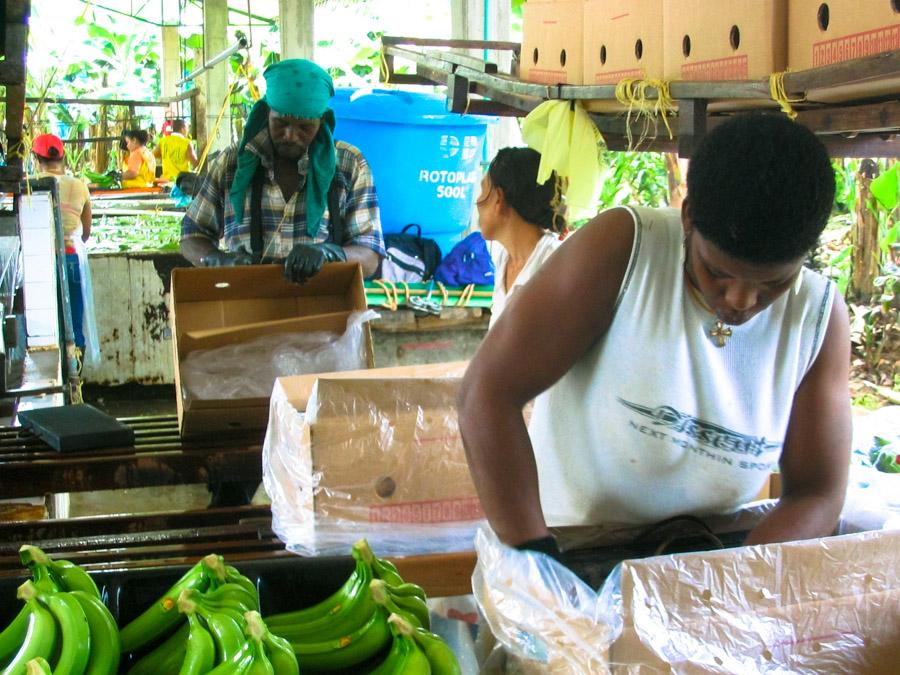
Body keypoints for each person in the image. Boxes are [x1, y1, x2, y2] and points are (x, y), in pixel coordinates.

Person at [457, 114, 851, 555]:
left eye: (772, 284)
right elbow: (486, 394)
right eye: (717, 273)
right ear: (688, 218)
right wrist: (537, 560)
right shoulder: (624, 250)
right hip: (571, 552)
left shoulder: (817, 318)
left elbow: (818, 492)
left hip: (712, 560)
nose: (740, 300)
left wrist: (739, 582)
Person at [180, 58, 384, 283]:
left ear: (322, 121)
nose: (290, 135)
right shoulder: (231, 164)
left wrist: (329, 253)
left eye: (305, 127)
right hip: (247, 304)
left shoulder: (349, 165)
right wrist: (215, 259)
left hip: (324, 305)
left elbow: (370, 256)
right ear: (266, 112)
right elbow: (191, 236)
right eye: (280, 123)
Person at [478, 147, 566, 328]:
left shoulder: (553, 263)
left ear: (498, 200)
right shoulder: (504, 258)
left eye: (483, 191)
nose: (477, 201)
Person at [31, 133, 92, 350]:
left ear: (36, 159)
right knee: (74, 328)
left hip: (40, 265)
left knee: (44, 331)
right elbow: (86, 233)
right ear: (62, 156)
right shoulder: (79, 186)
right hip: (72, 260)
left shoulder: (30, 186)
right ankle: (77, 381)